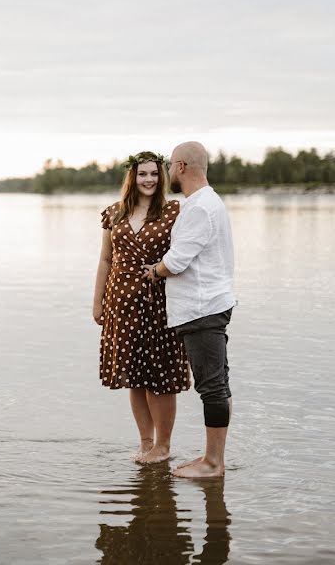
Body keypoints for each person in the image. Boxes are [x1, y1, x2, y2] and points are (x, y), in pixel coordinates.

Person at [143, 141, 237, 478]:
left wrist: (154, 270)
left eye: (169, 165)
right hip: (210, 304)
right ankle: (212, 457)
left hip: (202, 308)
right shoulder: (207, 203)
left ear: (182, 166)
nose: (168, 172)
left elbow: (178, 261)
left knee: (211, 386)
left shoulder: (198, 207)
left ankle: (213, 463)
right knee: (217, 384)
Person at [94, 151, 191, 464]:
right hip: (121, 302)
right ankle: (145, 441)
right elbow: (106, 260)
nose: (148, 179)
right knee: (133, 375)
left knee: (160, 376)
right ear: (132, 178)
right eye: (142, 174)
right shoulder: (115, 213)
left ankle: (163, 445)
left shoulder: (174, 211)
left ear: (161, 177)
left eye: (153, 173)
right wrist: (98, 302)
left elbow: (185, 256)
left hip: (159, 302)